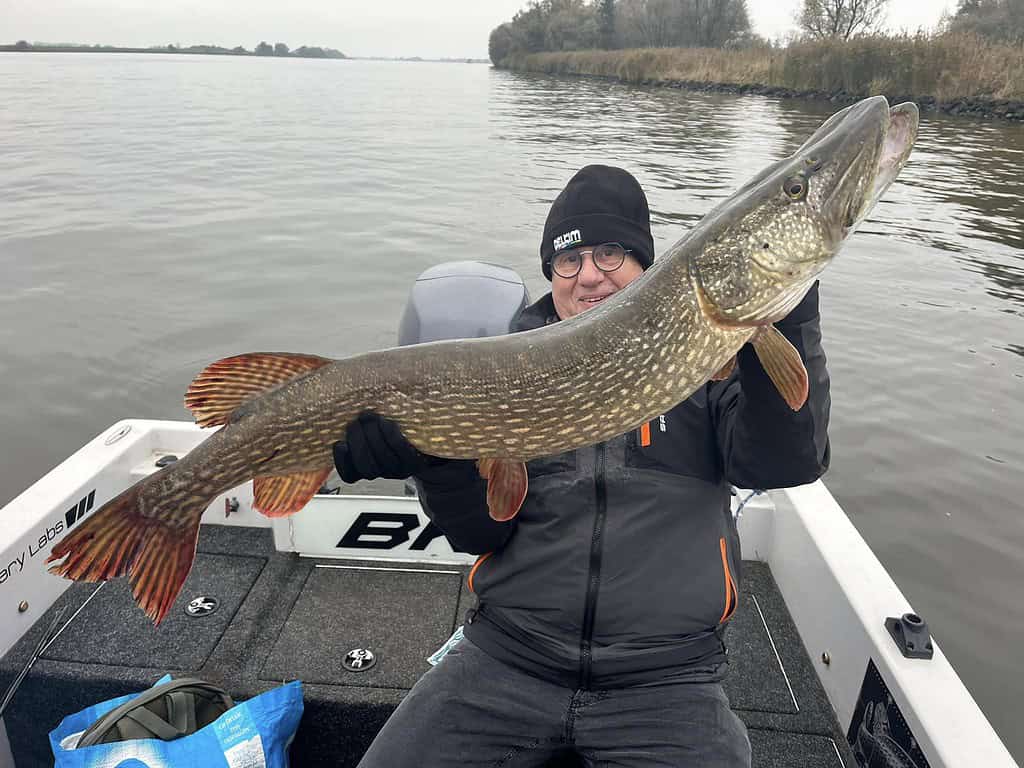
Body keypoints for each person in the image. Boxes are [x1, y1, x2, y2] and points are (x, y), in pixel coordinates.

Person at [333, 165, 831, 767]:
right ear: (551, 274)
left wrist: (786, 309)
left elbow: (786, 461)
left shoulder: (712, 361)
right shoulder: (497, 377)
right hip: (507, 657)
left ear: (646, 264)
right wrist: (430, 460)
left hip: (667, 680)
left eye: (611, 252)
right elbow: (478, 533)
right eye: (568, 261)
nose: (589, 274)